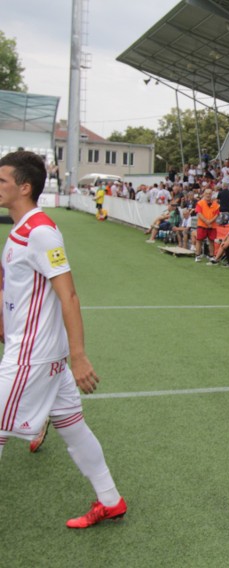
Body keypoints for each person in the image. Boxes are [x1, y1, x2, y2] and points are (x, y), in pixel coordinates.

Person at [0, 151, 126, 528]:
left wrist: (80, 356)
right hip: (36, 352)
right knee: (72, 427)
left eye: (2, 180)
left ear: (24, 187)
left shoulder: (41, 231)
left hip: (32, 356)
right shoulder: (20, 229)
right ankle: (111, 500)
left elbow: (68, 294)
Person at [194, 189, 220, 261]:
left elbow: (217, 214)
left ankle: (211, 256)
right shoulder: (200, 203)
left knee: (211, 241)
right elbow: (199, 213)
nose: (208, 195)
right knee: (199, 240)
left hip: (212, 225)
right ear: (204, 194)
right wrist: (207, 222)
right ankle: (197, 255)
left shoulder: (216, 204)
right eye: (206, 193)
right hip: (202, 225)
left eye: (209, 193)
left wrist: (209, 222)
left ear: (211, 194)